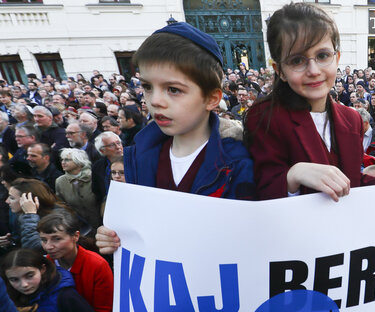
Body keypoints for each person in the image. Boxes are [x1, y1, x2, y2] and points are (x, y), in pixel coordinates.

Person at [244, 3, 375, 201]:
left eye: (322, 56)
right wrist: (293, 176)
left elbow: (352, 185)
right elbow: (262, 195)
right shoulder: (264, 116)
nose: (313, 70)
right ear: (279, 70)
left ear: (336, 58)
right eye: (297, 60)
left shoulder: (351, 118)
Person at [97, 22, 258, 254]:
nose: (155, 101)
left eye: (173, 89)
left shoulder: (239, 163)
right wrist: (112, 237)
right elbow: (131, 228)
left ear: (212, 98)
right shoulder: (135, 158)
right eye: (147, 87)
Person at [38, 209, 113, 312]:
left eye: (57, 239)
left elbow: (104, 309)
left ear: (75, 236)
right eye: (44, 240)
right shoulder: (45, 264)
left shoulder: (97, 265)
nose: (48, 246)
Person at [1, 248, 94, 311]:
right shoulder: (6, 296)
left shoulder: (65, 296)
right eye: (14, 279)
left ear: (42, 269)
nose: (24, 284)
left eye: (29, 276)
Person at [55, 148, 99, 237]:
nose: (63, 162)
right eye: (62, 160)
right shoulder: (60, 181)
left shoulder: (94, 177)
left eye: (67, 160)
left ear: (79, 162)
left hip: (100, 225)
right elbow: (61, 205)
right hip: (79, 229)